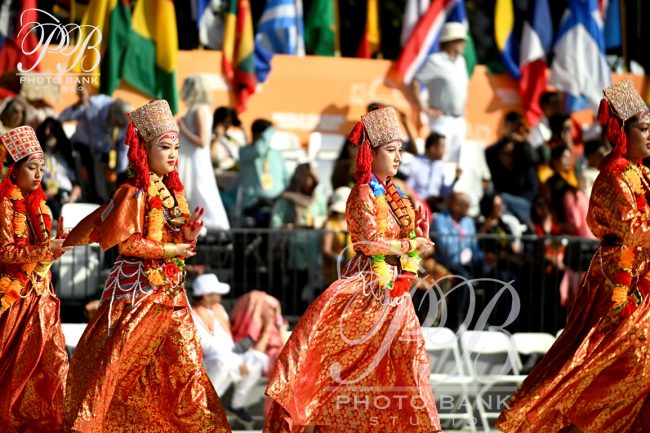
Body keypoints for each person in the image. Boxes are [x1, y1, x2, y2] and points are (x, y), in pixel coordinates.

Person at [263, 106, 440, 433]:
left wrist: (418, 236)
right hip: (366, 290)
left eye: (400, 150)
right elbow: (369, 243)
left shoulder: (396, 196)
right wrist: (409, 244)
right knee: (350, 370)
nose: (398, 157)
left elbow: (405, 243)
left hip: (396, 293)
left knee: (410, 362)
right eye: (391, 150)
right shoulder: (361, 194)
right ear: (371, 154)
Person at [62, 100, 231, 433]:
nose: (173, 155)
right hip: (139, 297)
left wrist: (186, 235)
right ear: (145, 150)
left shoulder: (170, 193)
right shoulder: (133, 193)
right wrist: (173, 248)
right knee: (120, 370)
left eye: (176, 148)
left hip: (171, 294)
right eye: (165, 147)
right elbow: (128, 244)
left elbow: (171, 239)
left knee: (187, 367)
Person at [496, 79, 650, 432]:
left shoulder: (642, 174)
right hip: (620, 281)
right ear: (622, 132)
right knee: (612, 360)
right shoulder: (612, 177)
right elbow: (632, 229)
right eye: (643, 129)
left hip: (643, 274)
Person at [0, 126, 72, 432]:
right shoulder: (5, 205)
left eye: (42, 167)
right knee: (13, 373)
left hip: (42, 298)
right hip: (15, 302)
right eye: (32, 167)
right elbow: (5, 253)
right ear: (14, 170)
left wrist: (58, 247)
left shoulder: (40, 206)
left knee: (54, 365)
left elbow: (41, 255)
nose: (39, 174)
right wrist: (46, 248)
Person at [191, 273, 270, 426]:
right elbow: (207, 346)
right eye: (216, 293)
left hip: (231, 355)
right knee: (223, 362)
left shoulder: (219, 309)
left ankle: (236, 404)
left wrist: (241, 352)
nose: (220, 296)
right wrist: (236, 361)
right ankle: (207, 405)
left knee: (259, 358)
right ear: (207, 296)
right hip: (211, 360)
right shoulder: (194, 314)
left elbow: (229, 340)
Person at [58, 87, 130, 203]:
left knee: (124, 172)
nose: (117, 128)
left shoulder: (125, 122)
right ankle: (100, 201)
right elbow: (63, 118)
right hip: (81, 147)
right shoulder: (95, 105)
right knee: (93, 159)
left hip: (103, 154)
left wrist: (120, 173)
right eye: (117, 124)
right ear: (112, 113)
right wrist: (79, 104)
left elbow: (123, 149)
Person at [410, 22, 469, 163]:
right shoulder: (435, 60)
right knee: (438, 160)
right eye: (460, 40)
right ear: (450, 42)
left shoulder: (461, 61)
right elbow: (415, 83)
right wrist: (425, 109)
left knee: (455, 162)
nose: (464, 44)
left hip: (459, 119)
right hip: (441, 120)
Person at [177, 75, 230, 231]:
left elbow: (203, 141)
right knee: (190, 191)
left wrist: (182, 127)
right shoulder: (194, 109)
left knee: (200, 190)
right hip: (189, 160)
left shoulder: (201, 110)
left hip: (195, 162)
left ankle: (212, 226)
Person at [238, 119, 289, 227]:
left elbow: (286, 177)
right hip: (253, 207)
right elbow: (259, 150)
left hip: (276, 207)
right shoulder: (245, 152)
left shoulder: (276, 154)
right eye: (265, 136)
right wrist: (270, 130)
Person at [36, 117, 83, 219]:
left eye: (51, 130)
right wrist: (45, 195)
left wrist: (72, 198)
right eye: (45, 129)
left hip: (69, 196)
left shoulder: (69, 156)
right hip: (49, 198)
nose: (47, 132)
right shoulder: (38, 157)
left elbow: (78, 185)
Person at [407, 132, 461, 213]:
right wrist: (423, 201)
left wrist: (456, 178)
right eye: (442, 147)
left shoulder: (439, 167)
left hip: (435, 210)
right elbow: (408, 190)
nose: (445, 151)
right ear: (432, 148)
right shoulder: (415, 164)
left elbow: (443, 193)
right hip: (416, 208)